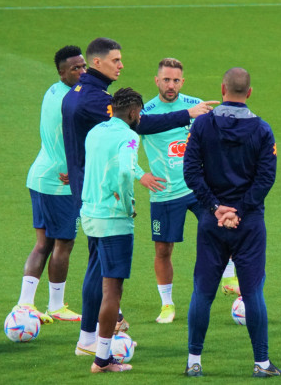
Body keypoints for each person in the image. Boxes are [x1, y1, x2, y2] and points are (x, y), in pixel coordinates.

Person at [61, 37, 217, 356]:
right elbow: (139, 131)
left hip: (86, 194)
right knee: (108, 277)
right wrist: (187, 114)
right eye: (116, 60)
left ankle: (89, 339)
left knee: (95, 266)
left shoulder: (75, 94)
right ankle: (96, 345)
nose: (121, 65)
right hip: (105, 203)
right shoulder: (97, 102)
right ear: (97, 62)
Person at [182, 67, 281, 378]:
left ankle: (194, 362)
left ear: (222, 88)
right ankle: (262, 364)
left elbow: (191, 172)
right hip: (249, 223)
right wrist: (239, 210)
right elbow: (266, 178)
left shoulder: (201, 125)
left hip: (212, 223)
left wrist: (216, 208)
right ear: (249, 93)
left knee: (203, 291)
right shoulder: (263, 130)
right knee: (252, 293)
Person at [136, 58, 239, 325]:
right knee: (163, 250)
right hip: (164, 193)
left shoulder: (197, 106)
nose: (171, 85)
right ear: (156, 80)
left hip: (198, 188)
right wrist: (141, 174)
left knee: (225, 225)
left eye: (176, 80)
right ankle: (167, 304)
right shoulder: (145, 113)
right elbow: (125, 145)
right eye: (166, 80)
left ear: (183, 81)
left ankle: (228, 277)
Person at [14, 45, 86, 324]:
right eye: (74, 69)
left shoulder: (53, 90)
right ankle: (56, 305)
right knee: (64, 243)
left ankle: (24, 304)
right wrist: (75, 169)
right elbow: (72, 141)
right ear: (61, 72)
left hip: (40, 175)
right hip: (58, 182)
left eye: (83, 66)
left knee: (43, 244)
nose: (81, 72)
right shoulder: (70, 102)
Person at [80, 87, 144, 373]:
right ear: (132, 112)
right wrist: (127, 202)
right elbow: (125, 171)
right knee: (112, 290)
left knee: (95, 272)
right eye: (139, 112)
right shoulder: (129, 136)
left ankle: (87, 340)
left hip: (90, 215)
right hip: (113, 220)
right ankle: (102, 359)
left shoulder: (95, 132)